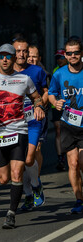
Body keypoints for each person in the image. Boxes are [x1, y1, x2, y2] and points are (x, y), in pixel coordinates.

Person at [0, 43, 45, 229]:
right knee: (3, 178)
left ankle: (11, 214)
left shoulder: (25, 79)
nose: (5, 59)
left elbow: (37, 97)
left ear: (14, 58)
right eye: (1, 56)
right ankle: (21, 184)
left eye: (8, 56)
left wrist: (38, 106)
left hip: (19, 131)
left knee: (16, 172)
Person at [13, 39, 48, 211]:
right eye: (18, 51)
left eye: (24, 51)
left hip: (33, 120)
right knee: (19, 162)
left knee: (30, 157)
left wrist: (40, 105)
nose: (21, 54)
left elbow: (45, 92)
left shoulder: (36, 71)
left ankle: (36, 185)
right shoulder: (6, 72)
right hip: (14, 123)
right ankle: (28, 193)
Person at [48, 38, 83, 213]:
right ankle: (79, 200)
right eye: (69, 53)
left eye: (76, 52)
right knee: (73, 163)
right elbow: (51, 94)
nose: (73, 56)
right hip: (68, 123)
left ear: (81, 53)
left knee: (82, 162)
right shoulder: (59, 74)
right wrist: (56, 102)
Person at [51, 49, 68, 171]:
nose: (59, 60)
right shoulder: (55, 71)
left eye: (61, 57)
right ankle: (60, 158)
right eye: (57, 58)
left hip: (71, 106)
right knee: (58, 130)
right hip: (56, 105)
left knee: (68, 131)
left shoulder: (73, 69)